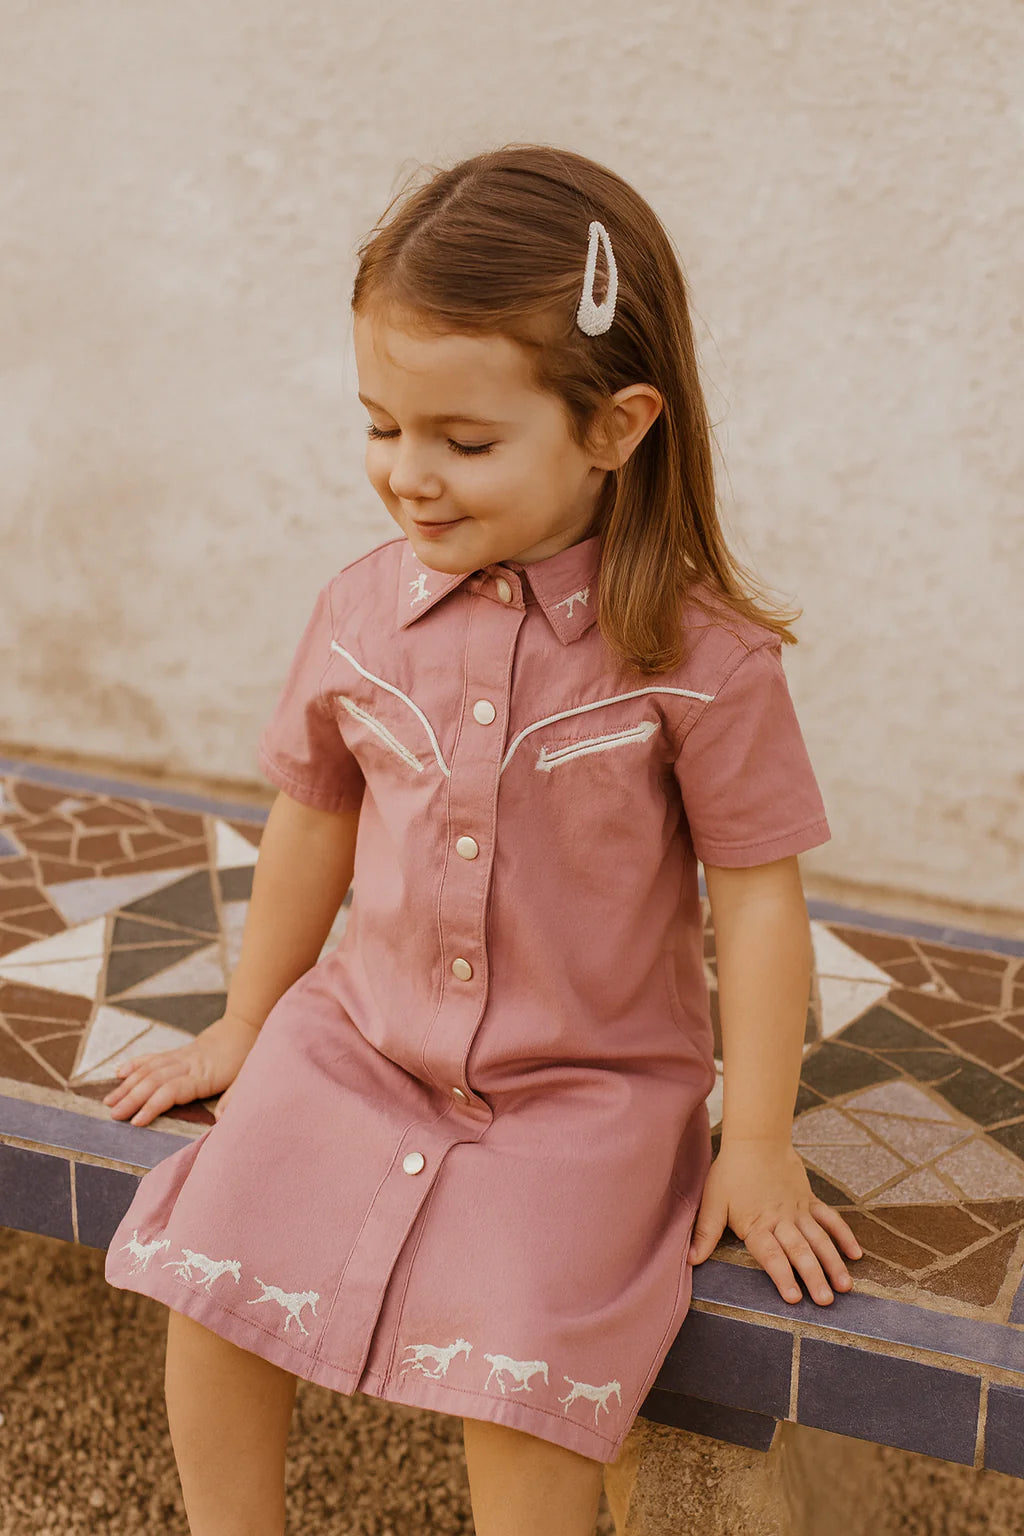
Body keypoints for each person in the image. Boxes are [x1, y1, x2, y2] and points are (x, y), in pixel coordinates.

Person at [103, 143, 862, 1536]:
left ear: (616, 427)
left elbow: (757, 902)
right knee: (208, 1276)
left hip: (588, 1095)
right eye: (381, 425)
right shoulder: (356, 610)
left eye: (464, 441)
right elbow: (314, 814)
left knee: (524, 1386)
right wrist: (248, 1024)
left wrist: (752, 1138)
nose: (410, 476)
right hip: (360, 1043)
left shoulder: (706, 661)